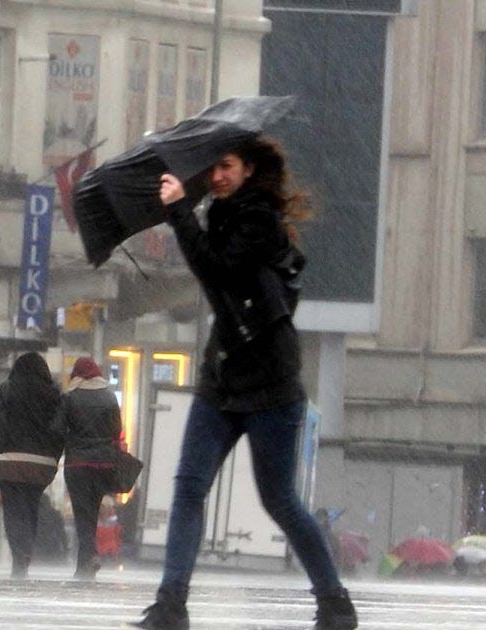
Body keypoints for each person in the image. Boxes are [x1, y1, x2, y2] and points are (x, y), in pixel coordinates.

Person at [131, 138, 357, 630]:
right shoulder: (220, 215)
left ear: (249, 170)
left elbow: (219, 273)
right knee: (189, 487)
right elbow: (216, 277)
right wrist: (187, 215)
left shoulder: (258, 221)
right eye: (211, 169)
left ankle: (335, 601)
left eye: (226, 167)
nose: (216, 177)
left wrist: (179, 215)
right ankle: (171, 605)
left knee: (278, 500)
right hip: (224, 374)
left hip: (270, 381)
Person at [0, 352, 64, 579]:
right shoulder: (54, 395)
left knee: (13, 511)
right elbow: (60, 431)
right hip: (41, 465)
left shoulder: (9, 389)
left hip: (11, 462)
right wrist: (53, 460)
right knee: (31, 507)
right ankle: (26, 550)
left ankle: (20, 554)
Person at [52, 356, 122, 579]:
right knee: (92, 512)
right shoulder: (110, 397)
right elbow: (116, 430)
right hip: (103, 464)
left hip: (78, 464)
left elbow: (57, 428)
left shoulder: (70, 397)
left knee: (83, 513)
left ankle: (90, 555)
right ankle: (83, 567)